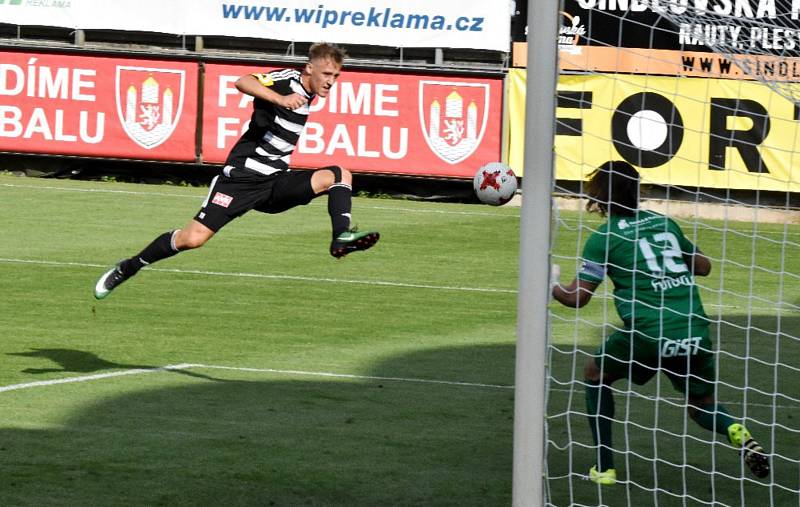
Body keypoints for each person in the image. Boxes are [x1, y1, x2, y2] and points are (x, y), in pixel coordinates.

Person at [94, 42, 379, 299]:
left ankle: (340, 237)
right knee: (192, 239)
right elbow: (242, 82)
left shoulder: (310, 93)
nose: (331, 82)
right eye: (327, 74)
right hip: (240, 180)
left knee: (340, 174)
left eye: (336, 77)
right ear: (309, 68)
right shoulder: (286, 81)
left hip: (274, 183)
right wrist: (279, 100)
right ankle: (129, 267)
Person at [551, 160, 770, 485]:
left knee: (595, 373)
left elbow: (578, 298)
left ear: (599, 195)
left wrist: (551, 285)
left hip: (649, 333)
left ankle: (604, 469)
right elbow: (704, 266)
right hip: (693, 327)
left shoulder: (603, 238)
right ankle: (734, 429)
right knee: (701, 407)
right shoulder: (664, 224)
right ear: (637, 191)